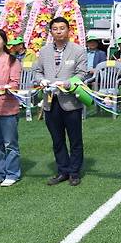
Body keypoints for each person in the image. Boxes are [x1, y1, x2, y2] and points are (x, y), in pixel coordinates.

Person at [33, 17, 87, 186]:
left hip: (70, 101)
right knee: (57, 139)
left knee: (75, 138)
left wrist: (68, 83)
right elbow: (37, 70)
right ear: (51, 32)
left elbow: (82, 73)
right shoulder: (44, 51)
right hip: (51, 101)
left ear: (68, 30)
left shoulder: (78, 50)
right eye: (55, 29)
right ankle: (62, 170)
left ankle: (74, 172)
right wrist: (41, 80)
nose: (58, 31)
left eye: (62, 28)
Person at [0, 29, 22, 186]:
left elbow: (15, 84)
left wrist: (2, 87)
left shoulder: (12, 61)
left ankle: (12, 173)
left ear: (4, 41)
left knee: (10, 143)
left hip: (7, 107)